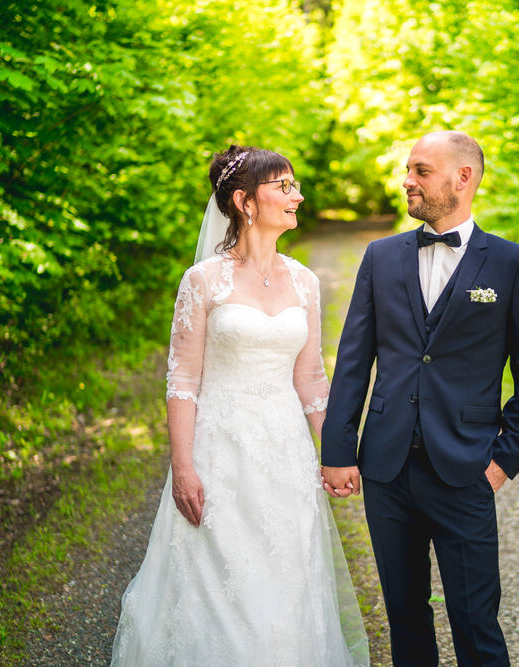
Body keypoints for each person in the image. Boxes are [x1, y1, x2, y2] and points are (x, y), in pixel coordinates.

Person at [110, 145, 369, 666]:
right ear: (245, 201)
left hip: (286, 457)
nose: (298, 195)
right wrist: (183, 467)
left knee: (287, 583)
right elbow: (182, 379)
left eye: (295, 185)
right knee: (217, 585)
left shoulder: (304, 281)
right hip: (219, 454)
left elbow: (312, 378)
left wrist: (337, 452)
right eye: (284, 186)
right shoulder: (203, 280)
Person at [321, 131, 519, 666]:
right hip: (387, 467)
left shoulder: (511, 264)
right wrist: (338, 447)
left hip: (467, 467)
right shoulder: (381, 257)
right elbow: (354, 358)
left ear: (463, 178)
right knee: (404, 618)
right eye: (409, 170)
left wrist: (503, 461)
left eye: (421, 171)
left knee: (475, 618)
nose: (408, 181)